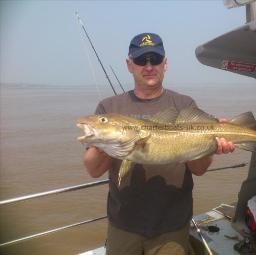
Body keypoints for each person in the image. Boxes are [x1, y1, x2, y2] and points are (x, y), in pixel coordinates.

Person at [83, 33, 235, 255]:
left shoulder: (184, 105)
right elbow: (93, 169)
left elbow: (199, 169)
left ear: (165, 64)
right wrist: (107, 138)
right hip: (123, 224)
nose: (148, 66)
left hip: (172, 225)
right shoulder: (109, 107)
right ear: (129, 64)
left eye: (155, 59)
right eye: (141, 60)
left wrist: (212, 144)